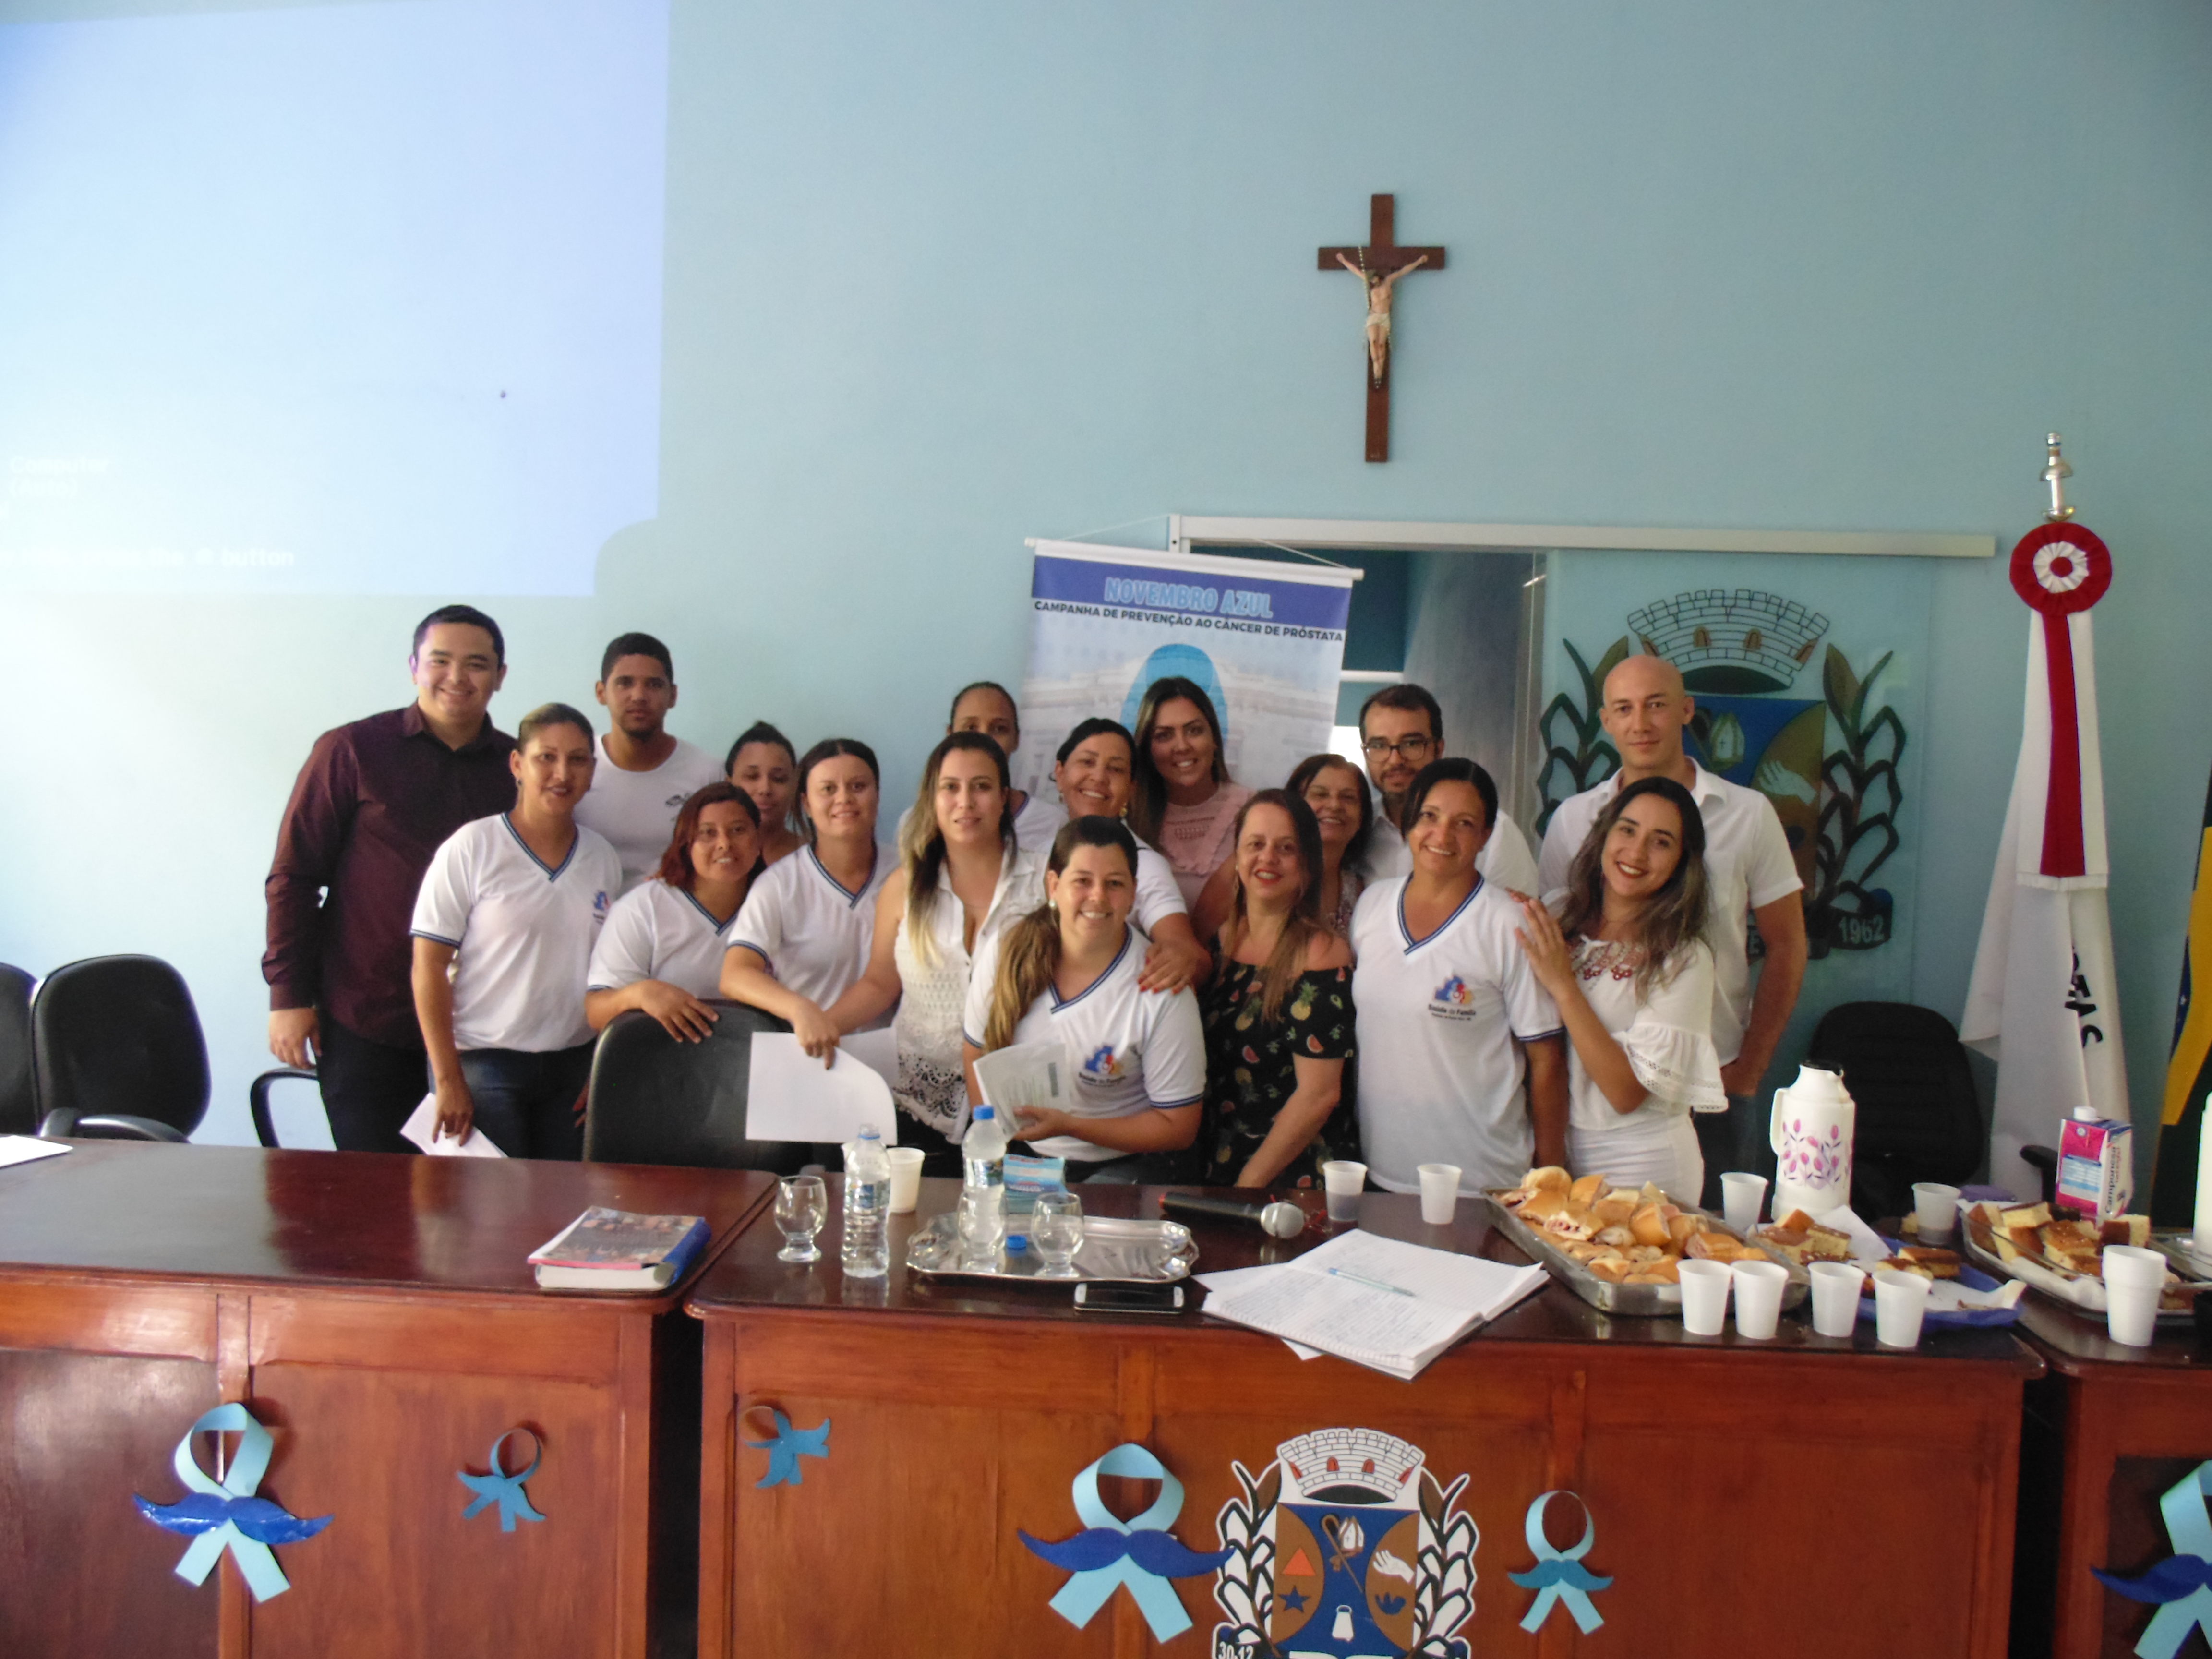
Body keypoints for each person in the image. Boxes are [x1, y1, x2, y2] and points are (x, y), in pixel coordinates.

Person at [1536, 653, 1806, 1200]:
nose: (1641, 723)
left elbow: (1787, 945)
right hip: (1584, 1096)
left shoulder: (1748, 813)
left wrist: (1749, 1072)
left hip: (1714, 1079)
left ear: (1686, 710)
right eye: (1624, 709)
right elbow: (1557, 940)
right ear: (1606, 721)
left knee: (1708, 1239)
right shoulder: (1573, 819)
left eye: (1656, 705)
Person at [263, 604, 518, 1153]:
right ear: (413, 667)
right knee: (377, 1187)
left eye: (477, 664)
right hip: (368, 1016)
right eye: (440, 660)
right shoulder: (352, 750)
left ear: (500, 676)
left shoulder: (518, 769)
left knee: (477, 1193)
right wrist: (288, 995)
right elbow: (295, 877)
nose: (457, 677)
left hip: (483, 1029)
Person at [820, 733, 1045, 1172]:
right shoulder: (904, 886)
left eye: (981, 787)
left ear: (1004, 798)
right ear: (932, 799)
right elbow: (880, 983)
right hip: (920, 1106)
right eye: (950, 787)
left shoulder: (1045, 882)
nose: (966, 802)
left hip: (1023, 1107)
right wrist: (822, 1027)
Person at [409, 703, 622, 1160]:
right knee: (491, 1200)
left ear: (591, 771)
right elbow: (428, 966)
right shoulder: (472, 848)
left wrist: (600, 1066)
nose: (562, 773)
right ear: (517, 764)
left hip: (573, 1064)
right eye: (546, 757)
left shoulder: (603, 858)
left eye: (577, 760)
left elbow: (611, 973)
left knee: (564, 1198)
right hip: (485, 1063)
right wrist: (448, 1080)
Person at [1351, 757, 1568, 1195]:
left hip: (1482, 1180)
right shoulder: (1371, 904)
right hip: (1383, 1172)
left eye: (1464, 823)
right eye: (1429, 816)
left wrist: (1551, 1180)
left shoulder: (1510, 923)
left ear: (1486, 835)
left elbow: (1547, 1059)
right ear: (1409, 823)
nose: (1442, 835)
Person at [962, 817, 1206, 1181]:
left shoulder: (1161, 985)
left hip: (1124, 1164)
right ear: (1053, 885)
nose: (1098, 897)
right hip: (1025, 1154)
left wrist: (1069, 1126)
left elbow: (1179, 1126)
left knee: (1079, 1214)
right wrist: (995, 1139)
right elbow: (974, 1052)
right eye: (1082, 881)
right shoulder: (1004, 951)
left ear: (1134, 893)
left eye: (1114, 884)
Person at [1514, 777, 1725, 1197]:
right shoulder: (1559, 912)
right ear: (1604, 834)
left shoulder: (1684, 958)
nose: (1637, 852)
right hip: (1552, 1147)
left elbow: (1626, 1092)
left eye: (1661, 842)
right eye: (1627, 830)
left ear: (1683, 862)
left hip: (1641, 1162)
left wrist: (1564, 985)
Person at [1199, 791, 1358, 1189]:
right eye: (1256, 844)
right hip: (1217, 1162)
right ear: (1237, 858)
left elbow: (1319, 1096)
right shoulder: (1221, 942)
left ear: (1307, 865)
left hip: (1289, 1176)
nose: (1267, 858)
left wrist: (1247, 1186)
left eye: (1286, 848)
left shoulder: (1321, 954)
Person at [721, 737, 893, 1037]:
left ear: (877, 794)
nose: (844, 799)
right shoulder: (779, 884)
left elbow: (884, 983)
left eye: (858, 786)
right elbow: (736, 974)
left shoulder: (909, 872)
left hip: (894, 1054)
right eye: (828, 789)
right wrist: (798, 1009)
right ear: (806, 804)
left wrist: (828, 1028)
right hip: (806, 1051)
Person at [585, 783, 765, 1041]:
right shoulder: (643, 908)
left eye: (738, 830)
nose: (724, 844)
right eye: (708, 833)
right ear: (686, 844)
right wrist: (640, 994)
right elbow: (596, 1011)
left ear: (758, 840)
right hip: (660, 1057)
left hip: (757, 1055)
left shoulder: (777, 903)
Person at [1050, 717, 1213, 993]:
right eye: (1087, 762)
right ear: (1060, 773)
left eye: (1115, 769)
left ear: (1131, 788)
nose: (1099, 777)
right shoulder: (1034, 846)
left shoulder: (1142, 864)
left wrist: (1180, 959)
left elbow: (1187, 953)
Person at [572, 632, 725, 895]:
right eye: (625, 683)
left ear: (673, 696)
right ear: (601, 692)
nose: (639, 696)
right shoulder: (575, 766)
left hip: (675, 917)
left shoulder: (708, 774)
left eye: (654, 685)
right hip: (585, 916)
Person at [1355, 683, 1541, 895]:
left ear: (1439, 749)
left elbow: (1517, 914)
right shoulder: (1356, 829)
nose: (1395, 760)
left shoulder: (1494, 833)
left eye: (1412, 744)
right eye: (1379, 746)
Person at [894, 682, 1066, 856]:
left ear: (1016, 739)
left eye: (999, 729)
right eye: (971, 727)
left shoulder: (1051, 823)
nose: (984, 739)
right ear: (950, 735)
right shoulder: (915, 823)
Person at [1127, 676, 1253, 909]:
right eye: (1164, 735)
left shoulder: (1255, 811)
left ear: (1215, 739)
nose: (1183, 746)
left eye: (1194, 731)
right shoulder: (1130, 819)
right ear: (1147, 749)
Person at [725, 721, 808, 866]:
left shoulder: (813, 857)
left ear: (795, 786)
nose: (765, 789)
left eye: (779, 779)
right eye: (752, 776)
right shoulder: (709, 856)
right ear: (728, 783)